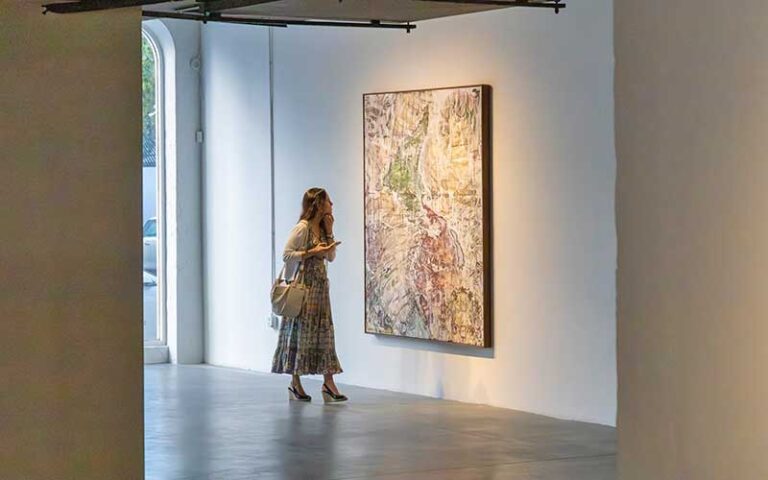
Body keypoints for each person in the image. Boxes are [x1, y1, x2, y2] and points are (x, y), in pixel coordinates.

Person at [271, 187, 347, 403]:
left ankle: (328, 383)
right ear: (318, 204)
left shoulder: (323, 229)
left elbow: (331, 257)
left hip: (320, 289)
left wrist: (330, 231)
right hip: (303, 289)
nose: (332, 205)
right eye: (328, 201)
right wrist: (310, 253)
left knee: (324, 334)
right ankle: (295, 383)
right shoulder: (302, 228)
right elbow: (286, 255)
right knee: (299, 334)